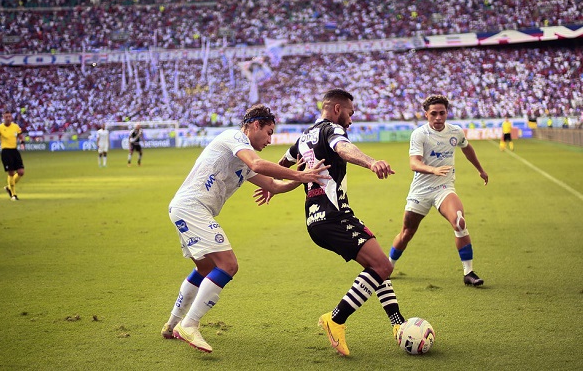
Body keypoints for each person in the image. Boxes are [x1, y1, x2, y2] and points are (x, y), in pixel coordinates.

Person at [161, 104, 330, 353]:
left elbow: (273, 184)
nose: (270, 140)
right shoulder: (234, 137)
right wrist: (300, 177)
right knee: (228, 265)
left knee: (205, 267)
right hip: (192, 208)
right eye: (269, 132)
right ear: (254, 125)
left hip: (187, 209)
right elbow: (260, 165)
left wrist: (303, 172)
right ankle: (190, 324)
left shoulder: (244, 159)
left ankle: (172, 324)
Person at [259, 89, 406, 357]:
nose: (351, 119)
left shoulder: (303, 138)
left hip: (316, 220)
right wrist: (371, 162)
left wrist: (274, 186)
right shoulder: (331, 130)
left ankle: (398, 323)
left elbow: (283, 163)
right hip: (335, 215)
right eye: (350, 113)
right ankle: (336, 319)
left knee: (376, 265)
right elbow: (343, 148)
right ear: (337, 109)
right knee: (383, 265)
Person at [388, 95, 489, 287]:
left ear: (446, 113)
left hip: (444, 188)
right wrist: (433, 169)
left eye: (442, 113)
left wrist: (480, 169)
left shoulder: (455, 132)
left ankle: (469, 273)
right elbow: (413, 163)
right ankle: (388, 266)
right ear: (426, 114)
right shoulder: (420, 134)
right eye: (433, 114)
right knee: (407, 232)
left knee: (459, 222)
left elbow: (467, 148)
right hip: (421, 190)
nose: (438, 117)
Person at [0, 110, 26, 201]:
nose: (8, 118)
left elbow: (21, 136)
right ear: (3, 117)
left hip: (14, 151)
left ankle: (9, 187)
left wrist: (22, 143)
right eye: (6, 117)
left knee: (21, 172)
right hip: (6, 152)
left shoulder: (15, 126)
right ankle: (13, 195)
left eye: (9, 116)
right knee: (11, 173)